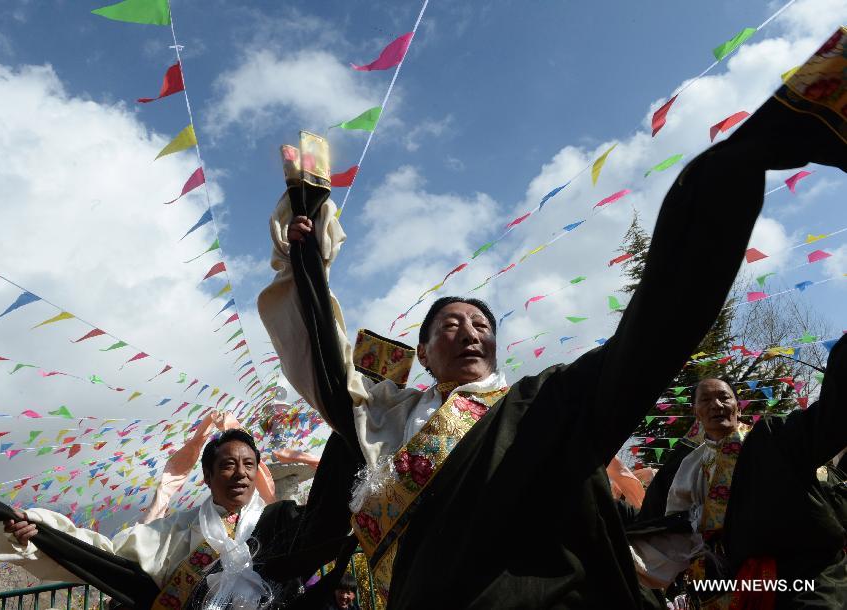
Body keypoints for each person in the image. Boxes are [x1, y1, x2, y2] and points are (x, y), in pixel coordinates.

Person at [258, 27, 846, 609]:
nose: (469, 332)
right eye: (451, 326)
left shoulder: (546, 406)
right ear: (425, 352)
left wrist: (741, 165)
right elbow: (326, 365)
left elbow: (656, 326)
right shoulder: (384, 417)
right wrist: (305, 262)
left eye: (482, 325)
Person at [0, 428, 305, 609]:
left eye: (248, 465)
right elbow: (105, 554)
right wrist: (42, 533)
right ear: (207, 474)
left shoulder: (278, 523)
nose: (241, 475)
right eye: (228, 465)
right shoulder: (177, 528)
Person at [630, 353, 847, 608]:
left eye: (724, 397)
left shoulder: (770, 441)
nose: (716, 405)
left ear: (738, 405)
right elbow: (680, 531)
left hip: (799, 571)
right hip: (725, 581)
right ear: (695, 412)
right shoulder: (688, 467)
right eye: (706, 399)